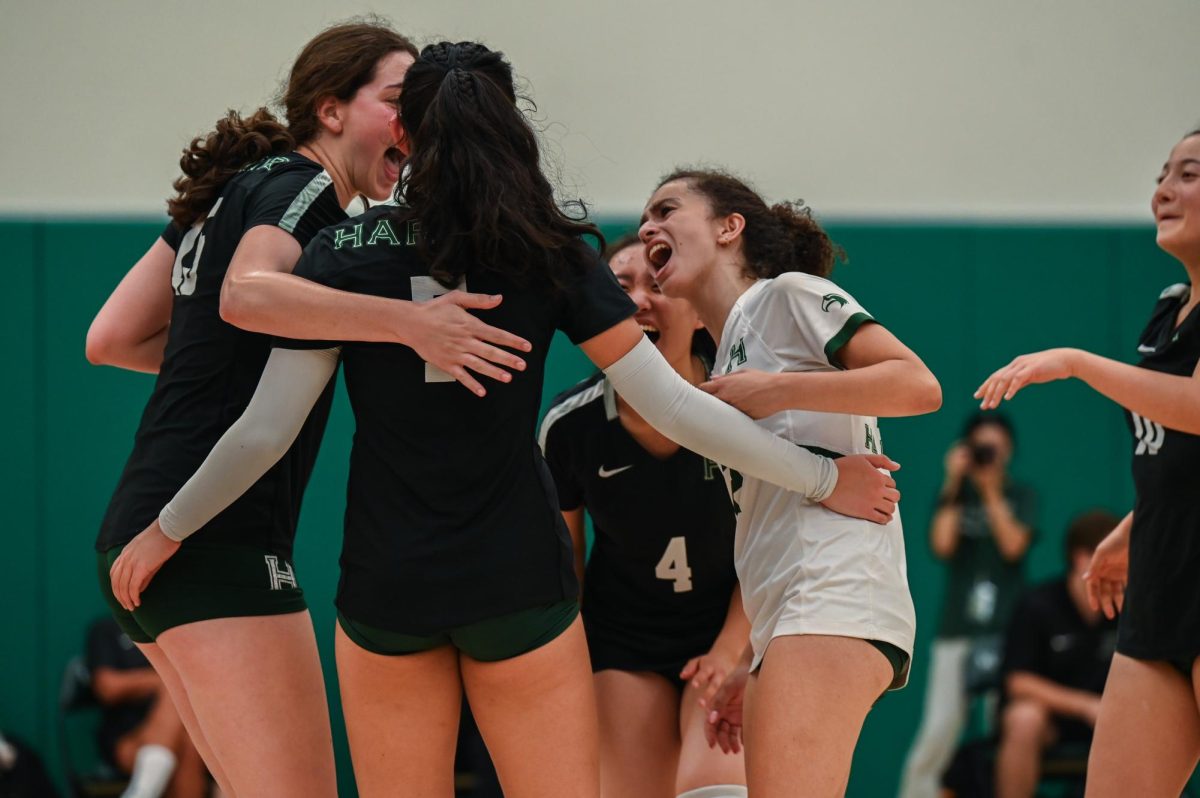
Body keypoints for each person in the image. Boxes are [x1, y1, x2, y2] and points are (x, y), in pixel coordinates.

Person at [107, 42, 903, 797]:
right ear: (509, 125)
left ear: (408, 131)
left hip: (388, 583)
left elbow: (263, 429)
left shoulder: (341, 251)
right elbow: (671, 403)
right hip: (516, 577)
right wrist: (823, 477)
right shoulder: (548, 248)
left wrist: (167, 528)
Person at [86, 21, 534, 798]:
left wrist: (221, 366)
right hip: (209, 538)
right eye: (394, 102)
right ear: (329, 110)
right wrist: (405, 321)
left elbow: (111, 338)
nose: (409, 125)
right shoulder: (307, 189)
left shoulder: (228, 190)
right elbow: (246, 294)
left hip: (145, 526)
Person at [639, 169, 942, 797]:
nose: (649, 229)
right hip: (794, 609)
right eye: (645, 218)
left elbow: (918, 386)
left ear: (730, 227)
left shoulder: (785, 295)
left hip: (832, 594)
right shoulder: (725, 354)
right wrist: (755, 662)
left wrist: (774, 389)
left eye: (668, 210)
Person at [975, 128, 1200, 796]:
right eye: (1162, 174)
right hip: (1162, 587)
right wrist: (1136, 527)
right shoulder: (1168, 310)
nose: (1162, 190)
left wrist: (1074, 363)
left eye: (1189, 173)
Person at [540, 234, 748, 798]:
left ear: (700, 312)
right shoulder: (569, 427)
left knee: (718, 791)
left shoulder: (746, 410)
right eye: (619, 288)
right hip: (623, 640)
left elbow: (775, 549)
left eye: (656, 285)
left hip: (732, 626)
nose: (637, 302)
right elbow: (565, 571)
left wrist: (733, 651)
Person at [900, 413, 1037, 798]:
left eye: (994, 448)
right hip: (957, 627)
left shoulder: (1019, 494)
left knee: (1005, 730)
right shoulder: (956, 495)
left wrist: (992, 491)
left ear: (1008, 450)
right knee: (939, 729)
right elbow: (941, 545)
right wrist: (954, 480)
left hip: (1007, 631)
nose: (987, 455)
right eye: (980, 448)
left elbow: (1014, 545)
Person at [994, 511, 1119, 798]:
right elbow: (1018, 682)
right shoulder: (1038, 605)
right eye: (1118, 556)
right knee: (1024, 719)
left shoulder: (1131, 606)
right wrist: (1086, 706)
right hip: (1057, 720)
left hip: (1113, 718)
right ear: (1082, 558)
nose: (1127, 567)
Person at [85, 617, 209, 798]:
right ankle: (145, 786)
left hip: (186, 739)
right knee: (173, 684)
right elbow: (107, 687)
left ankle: (144, 789)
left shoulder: (177, 627)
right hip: (127, 739)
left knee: (189, 746)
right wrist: (159, 681)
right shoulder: (107, 629)